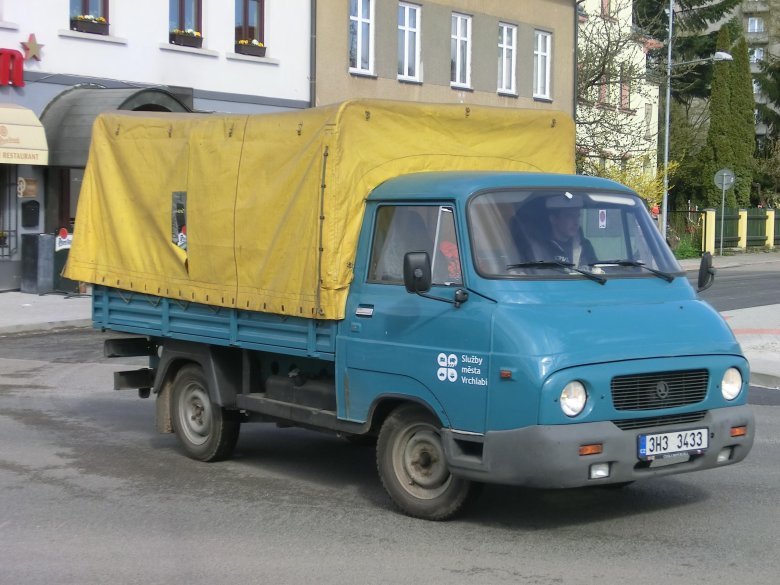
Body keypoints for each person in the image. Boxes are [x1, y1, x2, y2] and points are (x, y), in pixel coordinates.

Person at [533, 193, 596, 268]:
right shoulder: (539, 247)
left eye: (578, 216)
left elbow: (596, 271)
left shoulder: (585, 246)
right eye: (569, 216)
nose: (576, 222)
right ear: (553, 219)